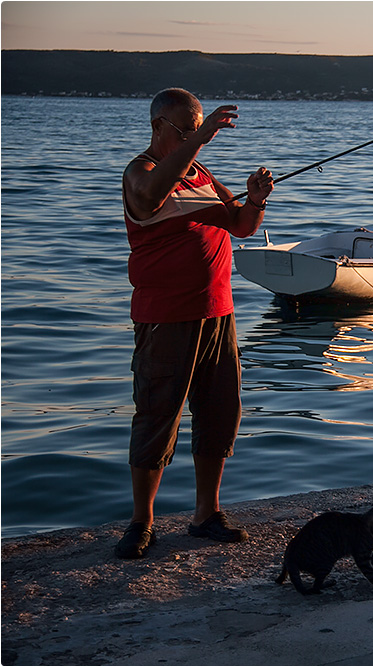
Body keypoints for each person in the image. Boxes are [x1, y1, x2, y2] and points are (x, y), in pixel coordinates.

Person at [116, 88, 274, 559]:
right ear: (158, 126)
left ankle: (206, 514)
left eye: (199, 128)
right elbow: (148, 197)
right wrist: (199, 141)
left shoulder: (200, 175)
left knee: (219, 412)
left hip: (218, 314)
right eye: (187, 130)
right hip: (166, 319)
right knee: (157, 416)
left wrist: (256, 199)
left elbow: (241, 226)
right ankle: (141, 522)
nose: (197, 138)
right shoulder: (140, 173)